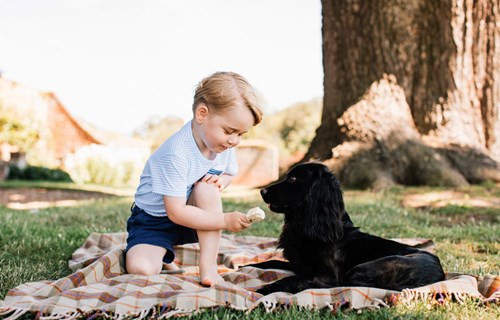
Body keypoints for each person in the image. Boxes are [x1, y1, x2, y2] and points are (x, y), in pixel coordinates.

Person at [125, 71, 263, 287]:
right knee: (141, 269)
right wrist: (225, 220)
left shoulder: (221, 144)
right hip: (155, 220)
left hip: (194, 215)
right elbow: (175, 212)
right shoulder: (176, 153)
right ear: (202, 114)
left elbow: (228, 173)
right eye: (230, 131)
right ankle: (159, 252)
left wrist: (220, 183)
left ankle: (208, 268)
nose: (234, 140)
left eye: (241, 134)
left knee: (207, 189)